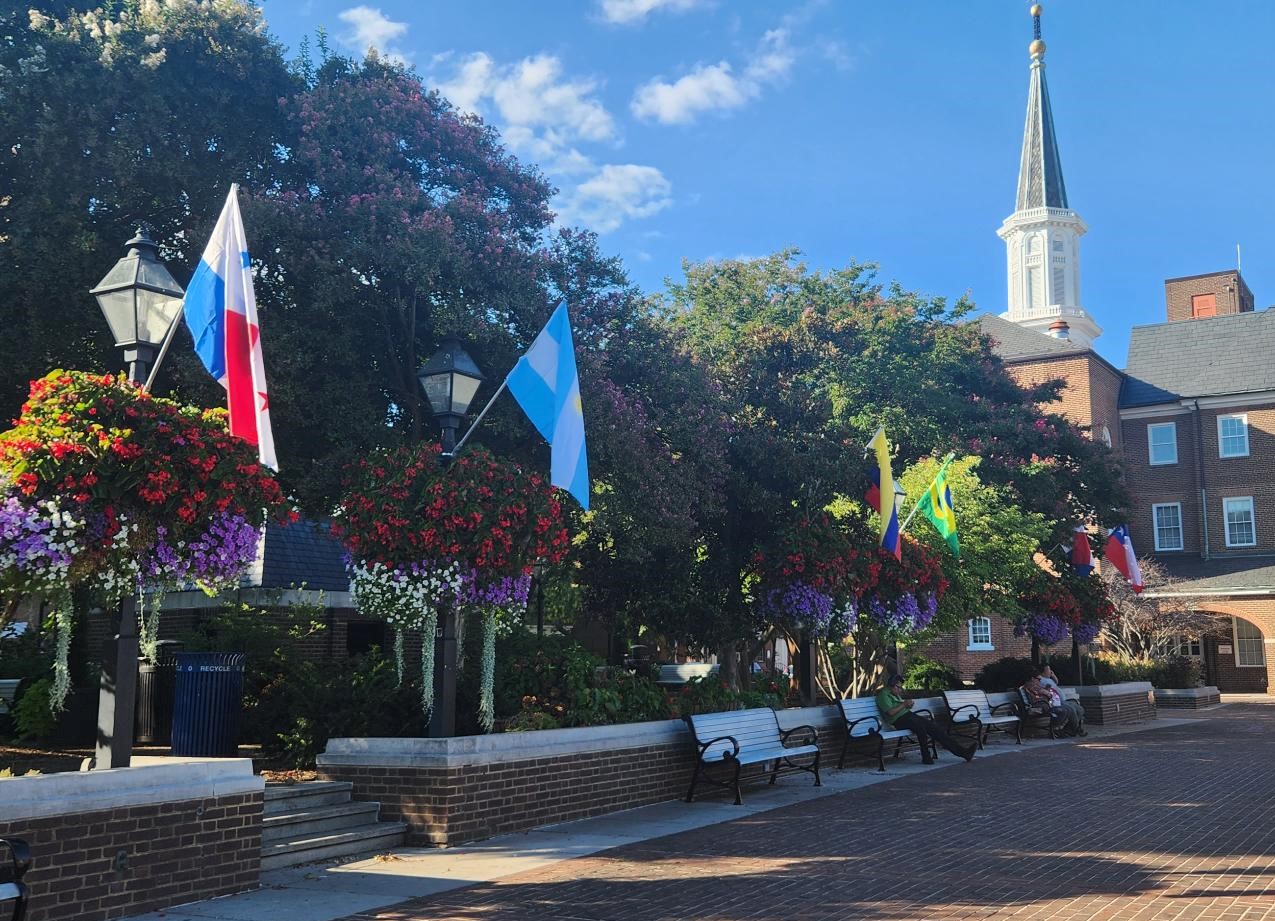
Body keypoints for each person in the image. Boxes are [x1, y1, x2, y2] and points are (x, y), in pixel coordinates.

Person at [874, 674, 976, 764]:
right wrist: (904, 704)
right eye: (898, 687)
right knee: (921, 729)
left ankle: (964, 753)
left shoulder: (894, 693)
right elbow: (890, 712)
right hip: (899, 721)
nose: (900, 690)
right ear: (891, 685)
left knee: (936, 729)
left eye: (901, 688)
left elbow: (900, 707)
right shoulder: (883, 695)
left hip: (908, 716)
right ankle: (926, 757)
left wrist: (908, 705)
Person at [1039, 664, 1086, 736]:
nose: (1050, 671)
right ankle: (1076, 729)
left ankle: (1069, 729)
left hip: (1063, 700)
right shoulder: (1041, 680)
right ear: (1043, 672)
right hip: (1057, 702)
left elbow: (1056, 682)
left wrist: (1053, 675)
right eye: (1048, 670)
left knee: (1079, 709)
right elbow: (1047, 690)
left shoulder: (1049, 679)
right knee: (1071, 709)